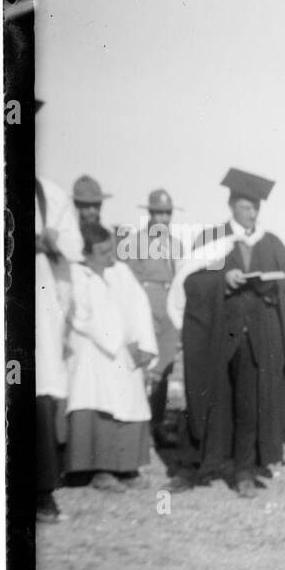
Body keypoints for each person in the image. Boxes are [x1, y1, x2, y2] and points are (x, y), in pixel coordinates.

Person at [172, 168, 285, 497]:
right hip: (218, 333)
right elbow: (192, 281)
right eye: (246, 206)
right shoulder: (212, 240)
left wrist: (273, 291)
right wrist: (223, 279)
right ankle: (195, 466)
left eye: (256, 206)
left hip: (256, 337)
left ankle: (244, 470)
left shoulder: (271, 244)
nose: (252, 212)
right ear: (232, 205)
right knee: (206, 397)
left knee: (250, 402)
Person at [64, 223, 157, 491]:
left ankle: (128, 468)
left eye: (111, 249)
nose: (109, 256)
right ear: (87, 253)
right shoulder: (77, 274)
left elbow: (140, 305)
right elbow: (81, 316)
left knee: (130, 404)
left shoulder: (121, 271)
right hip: (95, 353)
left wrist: (145, 344)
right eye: (102, 251)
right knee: (101, 404)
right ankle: (101, 471)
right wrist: (117, 342)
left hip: (128, 352)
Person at [119, 188, 186, 446]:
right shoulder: (134, 243)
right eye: (158, 213)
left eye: (167, 213)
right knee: (138, 367)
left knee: (163, 371)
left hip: (169, 310)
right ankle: (133, 429)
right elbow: (127, 281)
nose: (163, 218)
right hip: (145, 308)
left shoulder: (177, 245)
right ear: (149, 213)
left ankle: (156, 426)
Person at [35, 179, 74, 522]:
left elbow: (70, 248)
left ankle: (41, 491)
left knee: (39, 392)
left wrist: (51, 242)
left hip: (36, 298)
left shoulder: (49, 194)